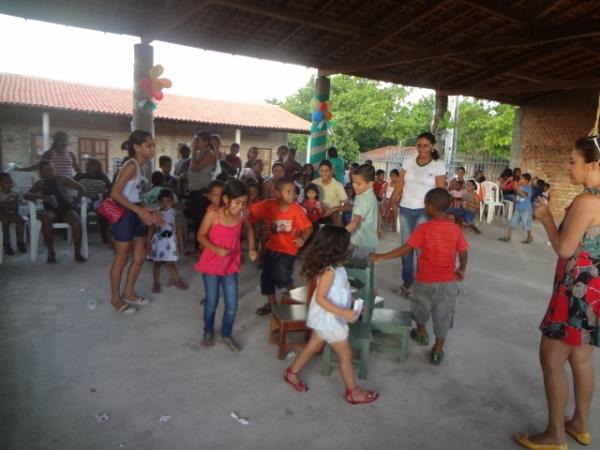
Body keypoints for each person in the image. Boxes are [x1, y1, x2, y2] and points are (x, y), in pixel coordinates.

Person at [515, 136, 600, 450]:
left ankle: (554, 435)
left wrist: (546, 217)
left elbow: (565, 249)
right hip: (593, 291)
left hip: (575, 291)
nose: (570, 166)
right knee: (581, 359)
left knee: (551, 358)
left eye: (574, 161)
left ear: (593, 165)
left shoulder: (588, 202)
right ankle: (580, 423)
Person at [370, 188, 468, 365]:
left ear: (430, 207)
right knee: (443, 316)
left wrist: (381, 256)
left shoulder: (424, 229)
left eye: (425, 204)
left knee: (419, 307)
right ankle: (438, 350)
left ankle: (422, 333)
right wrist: (462, 268)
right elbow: (463, 251)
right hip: (448, 282)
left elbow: (406, 249)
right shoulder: (455, 229)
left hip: (424, 280)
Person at [283, 225, 379, 405]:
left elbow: (340, 290)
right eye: (346, 245)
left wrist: (352, 303)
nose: (349, 248)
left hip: (324, 319)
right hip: (330, 320)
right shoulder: (329, 272)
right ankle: (353, 392)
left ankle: (292, 373)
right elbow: (320, 298)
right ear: (337, 249)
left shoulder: (337, 268)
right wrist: (343, 311)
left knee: (313, 346)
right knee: (345, 355)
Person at [195, 179, 257, 351]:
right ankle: (208, 331)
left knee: (232, 305)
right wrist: (216, 249)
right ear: (226, 199)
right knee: (212, 302)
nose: (240, 206)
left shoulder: (242, 215)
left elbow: (250, 230)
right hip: (212, 265)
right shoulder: (213, 214)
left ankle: (226, 333)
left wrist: (252, 248)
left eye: (244, 203)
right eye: (237, 202)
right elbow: (201, 236)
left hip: (230, 265)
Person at [109, 130, 162, 314]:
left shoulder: (144, 166)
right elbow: (114, 194)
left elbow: (137, 195)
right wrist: (139, 210)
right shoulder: (130, 166)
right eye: (149, 145)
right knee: (121, 258)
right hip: (124, 215)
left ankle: (128, 292)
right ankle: (115, 299)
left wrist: (148, 209)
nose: (153, 148)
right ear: (136, 147)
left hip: (135, 213)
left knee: (139, 257)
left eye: (153, 145)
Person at [389, 131, 447, 296]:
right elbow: (399, 186)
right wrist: (391, 204)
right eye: (419, 145)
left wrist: (440, 216)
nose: (422, 149)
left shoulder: (438, 164)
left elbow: (440, 191)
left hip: (425, 211)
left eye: (426, 146)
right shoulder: (408, 161)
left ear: (432, 146)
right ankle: (407, 284)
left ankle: (423, 286)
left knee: (422, 250)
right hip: (406, 209)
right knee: (406, 248)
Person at [250, 177, 313, 316]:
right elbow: (249, 212)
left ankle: (294, 298)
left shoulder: (297, 210)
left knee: (282, 276)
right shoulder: (267, 205)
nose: (293, 195)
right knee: (266, 277)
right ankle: (272, 306)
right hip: (271, 248)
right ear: (277, 193)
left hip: (288, 250)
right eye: (288, 192)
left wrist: (303, 238)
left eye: (294, 192)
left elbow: (309, 228)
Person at [24, 161, 86, 263]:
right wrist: (41, 196)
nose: (50, 172)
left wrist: (77, 202)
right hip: (51, 210)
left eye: (51, 169)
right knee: (46, 218)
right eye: (46, 170)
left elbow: (81, 188)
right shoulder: (40, 183)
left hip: (66, 209)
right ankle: (51, 253)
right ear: (41, 172)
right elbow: (26, 195)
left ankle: (77, 252)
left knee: (76, 221)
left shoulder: (62, 178)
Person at [147, 189, 187, 293]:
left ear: (172, 202)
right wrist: (148, 243)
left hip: (170, 243)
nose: (165, 204)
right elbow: (151, 230)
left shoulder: (174, 214)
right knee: (157, 263)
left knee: (171, 263)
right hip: (158, 243)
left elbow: (178, 231)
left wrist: (181, 245)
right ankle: (156, 283)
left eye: (168, 201)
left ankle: (177, 281)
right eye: (163, 201)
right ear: (159, 202)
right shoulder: (155, 213)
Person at [186, 131, 217, 248]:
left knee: (201, 220)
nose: (195, 143)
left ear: (206, 142)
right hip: (195, 190)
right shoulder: (200, 153)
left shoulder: (210, 154)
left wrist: (193, 151)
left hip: (202, 191)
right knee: (196, 219)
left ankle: (201, 247)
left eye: (198, 140)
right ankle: (199, 246)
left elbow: (195, 168)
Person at [345, 164, 380, 261]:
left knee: (357, 272)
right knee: (367, 271)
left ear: (370, 184)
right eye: (353, 182)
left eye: (358, 183)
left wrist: (341, 235)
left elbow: (355, 222)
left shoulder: (363, 199)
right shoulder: (369, 193)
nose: (354, 186)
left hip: (360, 243)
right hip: (369, 242)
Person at [74, 158, 112, 243]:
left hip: (98, 198)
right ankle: (79, 234)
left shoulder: (103, 176)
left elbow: (110, 188)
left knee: (107, 209)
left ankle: (105, 234)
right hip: (84, 199)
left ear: (98, 167)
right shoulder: (80, 175)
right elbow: (72, 187)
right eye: (89, 165)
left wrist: (105, 195)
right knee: (78, 210)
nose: (90, 167)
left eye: (93, 165)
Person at [16, 130, 81, 177]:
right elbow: (37, 166)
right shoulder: (49, 154)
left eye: (66, 140)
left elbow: (78, 170)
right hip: (54, 184)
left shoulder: (70, 154)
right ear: (56, 141)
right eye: (62, 140)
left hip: (69, 185)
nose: (65, 143)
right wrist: (20, 170)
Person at [314, 159, 350, 226]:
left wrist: (333, 209)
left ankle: (338, 235)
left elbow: (348, 206)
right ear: (319, 171)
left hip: (333, 213)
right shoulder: (314, 183)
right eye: (322, 171)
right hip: (317, 211)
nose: (324, 173)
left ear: (331, 171)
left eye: (327, 170)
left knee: (337, 217)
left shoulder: (338, 185)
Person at [499, 173, 534, 244]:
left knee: (526, 224)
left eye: (522, 178)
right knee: (513, 222)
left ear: (526, 180)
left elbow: (523, 195)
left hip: (526, 209)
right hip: (518, 208)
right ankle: (508, 236)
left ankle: (529, 237)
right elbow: (503, 187)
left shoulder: (528, 188)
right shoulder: (519, 186)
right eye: (520, 178)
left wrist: (517, 187)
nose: (520, 180)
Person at [0, 172, 26, 255]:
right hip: (2, 215)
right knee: (4, 223)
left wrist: (15, 215)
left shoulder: (14, 194)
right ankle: (7, 245)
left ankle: (20, 242)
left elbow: (16, 207)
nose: (9, 184)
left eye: (10, 182)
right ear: (0, 184)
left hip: (12, 214)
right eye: (6, 183)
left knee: (20, 220)